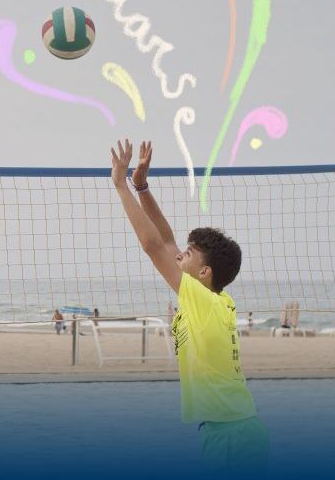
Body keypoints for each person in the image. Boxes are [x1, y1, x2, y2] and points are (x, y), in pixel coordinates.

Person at [110, 140, 266, 470]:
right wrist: (142, 187)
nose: (180, 254)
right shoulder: (215, 298)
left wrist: (120, 184)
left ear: (204, 272)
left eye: (189, 253)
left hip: (230, 433)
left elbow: (153, 246)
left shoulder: (203, 301)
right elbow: (166, 241)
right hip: (235, 427)